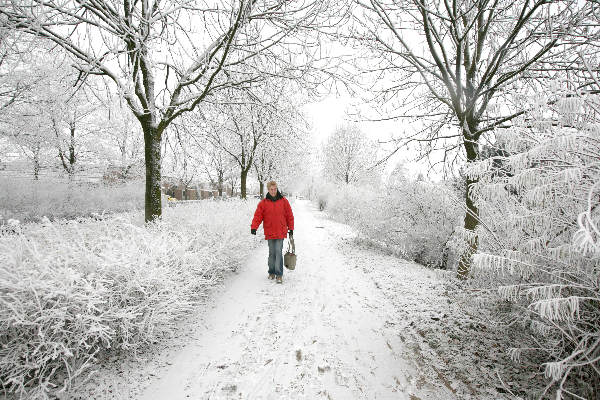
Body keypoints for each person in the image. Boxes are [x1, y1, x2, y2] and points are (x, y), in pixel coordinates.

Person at [251, 181, 294, 284]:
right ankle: (271, 272)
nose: (273, 191)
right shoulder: (263, 203)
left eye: (275, 189)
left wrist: (291, 228)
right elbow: (258, 216)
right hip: (270, 231)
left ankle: (279, 275)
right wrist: (254, 227)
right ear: (268, 190)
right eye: (271, 189)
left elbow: (289, 215)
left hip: (280, 231)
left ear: (277, 189)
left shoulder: (284, 201)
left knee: (278, 252)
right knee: (272, 253)